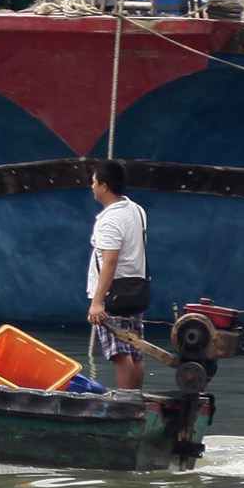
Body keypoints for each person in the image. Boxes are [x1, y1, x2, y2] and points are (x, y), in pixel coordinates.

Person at [86, 158, 150, 391]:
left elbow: (110, 261)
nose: (91, 186)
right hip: (136, 290)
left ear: (104, 186)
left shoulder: (110, 220)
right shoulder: (137, 210)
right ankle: (136, 399)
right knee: (136, 351)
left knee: (120, 355)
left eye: (94, 182)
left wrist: (97, 302)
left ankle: (125, 403)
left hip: (114, 295)